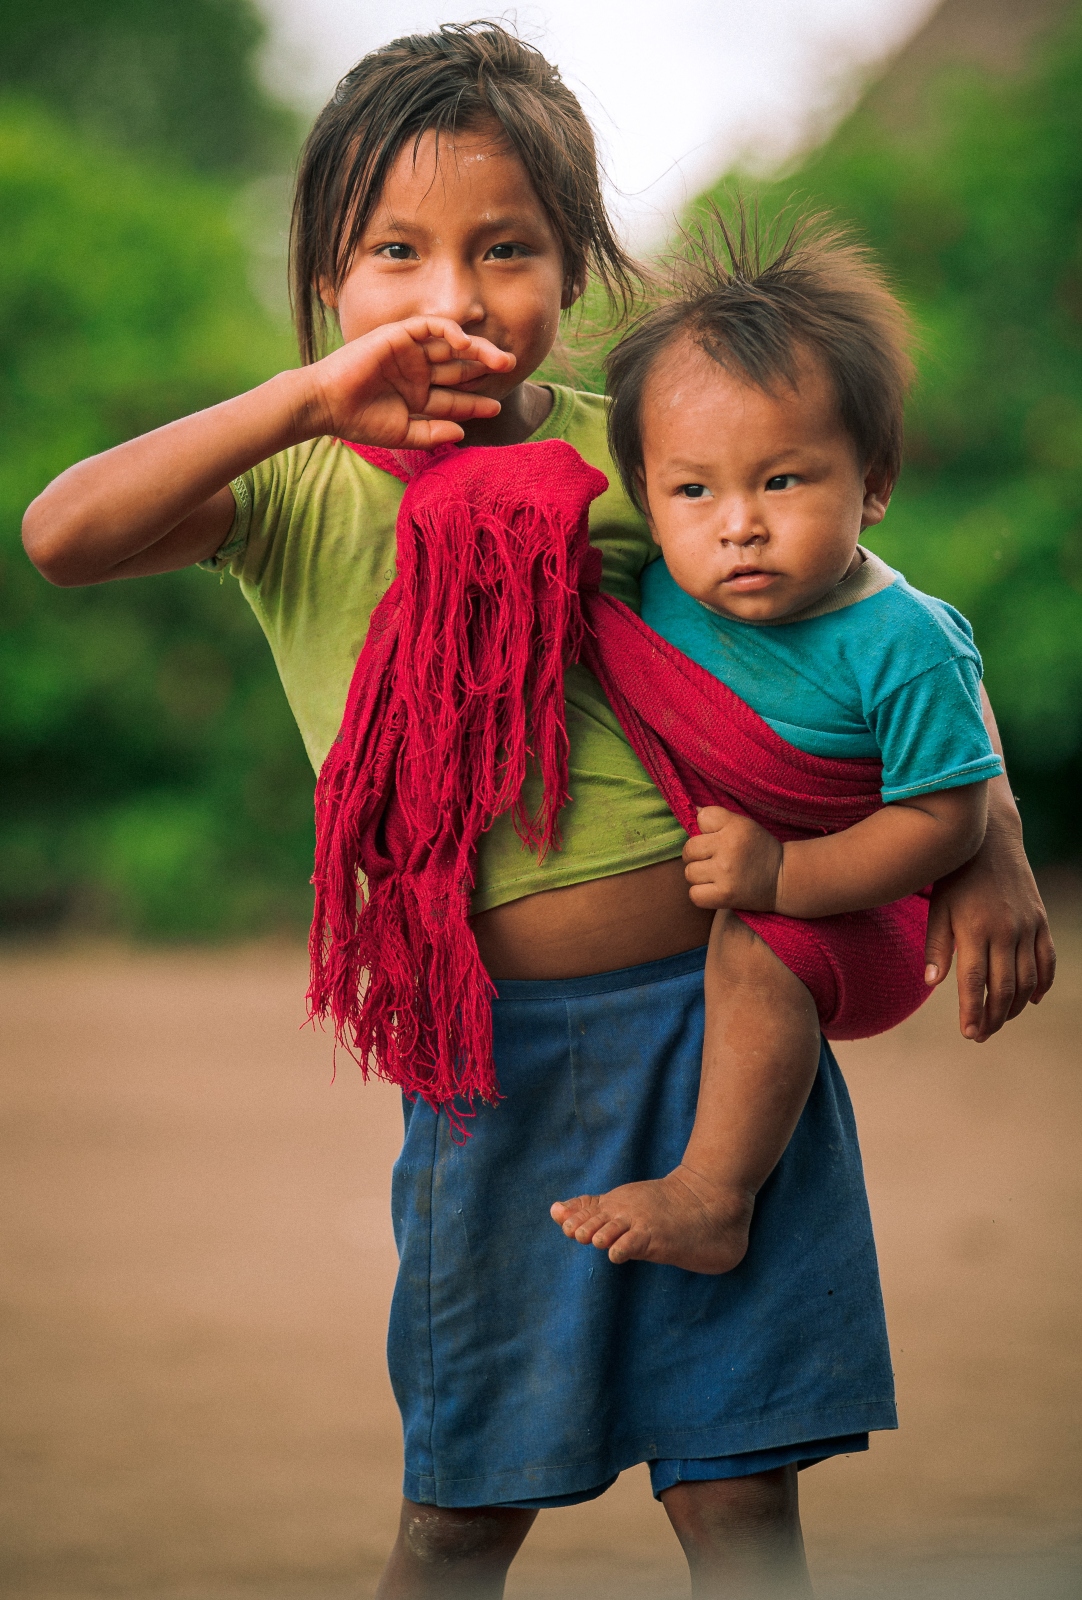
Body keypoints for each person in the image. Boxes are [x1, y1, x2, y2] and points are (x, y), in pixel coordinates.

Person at [20, 23, 1055, 1600]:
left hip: (725, 1018)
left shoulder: (629, 452)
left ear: (572, 267)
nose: (450, 299)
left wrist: (987, 841)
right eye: (393, 252)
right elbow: (63, 536)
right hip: (490, 1059)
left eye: (504, 248)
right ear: (322, 282)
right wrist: (305, 404)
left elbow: (881, 611)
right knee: (465, 1499)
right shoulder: (297, 487)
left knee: (736, 1492)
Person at [551, 220, 1006, 1277]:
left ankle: (713, 1195)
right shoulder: (650, 590)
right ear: (644, 495)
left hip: (860, 915)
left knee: (751, 943)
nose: (737, 525)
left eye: (783, 481)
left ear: (872, 480)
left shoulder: (902, 641)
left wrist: (785, 873)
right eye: (693, 490)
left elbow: (947, 818)